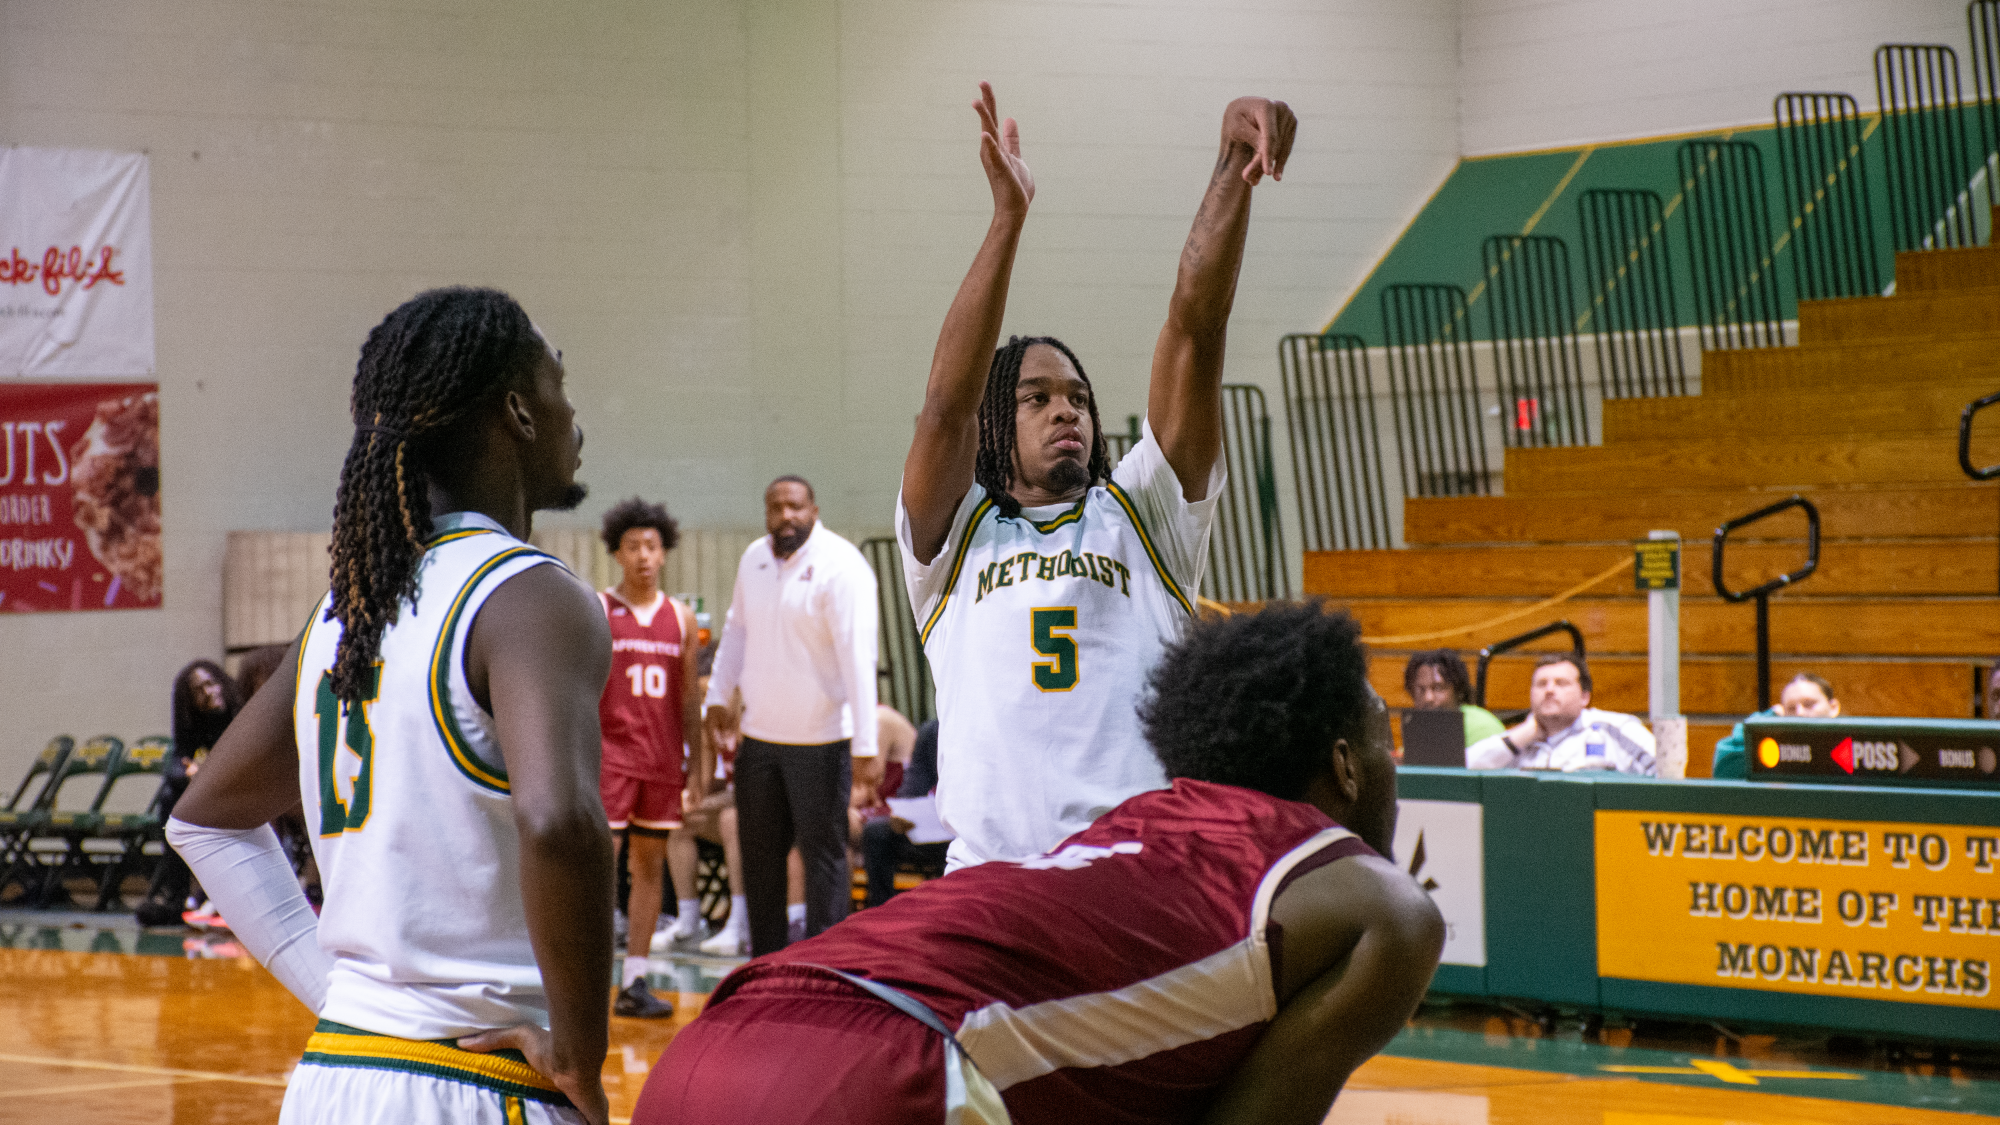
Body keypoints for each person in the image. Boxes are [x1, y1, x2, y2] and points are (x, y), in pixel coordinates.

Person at [632, 602, 1444, 1125]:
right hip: (881, 1071)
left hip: (713, 1045)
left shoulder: (1131, 821)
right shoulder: (1388, 907)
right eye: (1384, 738)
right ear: (1345, 764)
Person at [166, 287, 614, 1125]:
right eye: (560, 379)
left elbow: (206, 820)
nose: (573, 406)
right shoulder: (533, 598)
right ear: (516, 410)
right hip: (478, 1079)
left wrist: (338, 990)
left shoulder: (345, 612)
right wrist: (583, 1058)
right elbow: (560, 823)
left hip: (337, 1075)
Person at [897, 83, 1295, 869]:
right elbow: (944, 406)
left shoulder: (1145, 513)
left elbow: (1194, 324)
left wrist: (1229, 163)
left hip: (1129, 873)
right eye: (1036, 398)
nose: (1066, 411)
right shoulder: (953, 541)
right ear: (996, 425)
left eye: (1078, 397)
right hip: (988, 878)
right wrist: (1008, 221)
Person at [703, 476, 882, 956]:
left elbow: (858, 660)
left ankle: (826, 970)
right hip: (759, 742)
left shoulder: (842, 567)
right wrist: (718, 695)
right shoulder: (754, 558)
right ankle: (764, 964)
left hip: (822, 744)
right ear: (766, 513)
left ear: (814, 511)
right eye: (776, 508)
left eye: (795, 507)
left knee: (823, 862)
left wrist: (866, 745)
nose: (785, 516)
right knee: (760, 862)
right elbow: (735, 630)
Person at [594, 497, 704, 1018]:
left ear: (664, 554)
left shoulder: (680, 618)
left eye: (651, 546)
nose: (642, 555)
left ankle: (634, 980)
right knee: (600, 866)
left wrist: (697, 767)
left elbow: (689, 702)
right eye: (632, 546)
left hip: (661, 763)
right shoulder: (597, 608)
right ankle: (586, 978)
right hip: (610, 759)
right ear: (617, 552)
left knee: (649, 867)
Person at [135, 661, 244, 927]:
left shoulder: (241, 707)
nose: (208, 692)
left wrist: (205, 772)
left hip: (248, 785)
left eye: (211, 683)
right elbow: (176, 764)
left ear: (222, 682)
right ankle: (178, 896)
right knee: (170, 799)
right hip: (217, 790)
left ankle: (214, 894)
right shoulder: (194, 720)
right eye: (198, 690)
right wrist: (189, 773)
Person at [1466, 654, 1656, 775]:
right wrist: (1523, 734)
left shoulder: (1614, 729)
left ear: (1584, 697)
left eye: (1561, 683)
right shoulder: (1519, 742)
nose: (1549, 690)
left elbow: (1664, 772)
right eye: (1541, 684)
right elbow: (1463, 769)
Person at [859, 717, 947, 909]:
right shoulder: (933, 730)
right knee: (876, 833)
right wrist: (903, 813)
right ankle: (882, 909)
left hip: (966, 826)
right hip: (934, 824)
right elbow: (915, 782)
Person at [1709, 672, 1842, 780]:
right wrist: (1769, 716)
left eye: (1809, 704)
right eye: (1791, 708)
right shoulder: (1776, 750)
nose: (1800, 713)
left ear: (1833, 707)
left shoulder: (1852, 743)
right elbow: (1723, 768)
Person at [1401, 650, 1505, 748]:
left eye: (1438, 688)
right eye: (1421, 689)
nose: (1428, 698)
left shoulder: (1482, 727)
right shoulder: (1418, 727)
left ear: (1458, 690)